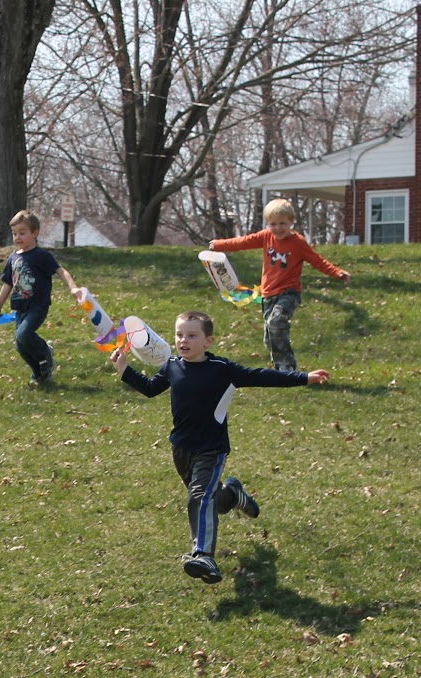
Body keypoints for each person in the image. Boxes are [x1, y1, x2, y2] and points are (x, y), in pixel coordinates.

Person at [113, 309, 329, 585]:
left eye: (192, 335)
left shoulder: (222, 370)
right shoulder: (172, 366)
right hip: (181, 449)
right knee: (212, 501)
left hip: (211, 449)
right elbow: (150, 388)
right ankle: (233, 494)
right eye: (179, 335)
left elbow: (260, 376)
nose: (183, 340)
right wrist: (125, 370)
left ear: (208, 341)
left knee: (199, 497)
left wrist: (303, 377)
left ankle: (203, 555)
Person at [208, 198, 350, 372]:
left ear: (291, 222)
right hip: (268, 294)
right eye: (273, 224)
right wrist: (218, 245)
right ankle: (279, 367)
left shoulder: (298, 242)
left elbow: (317, 260)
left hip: (289, 293)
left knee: (277, 322)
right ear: (268, 224)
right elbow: (243, 242)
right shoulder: (266, 236)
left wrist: (337, 272)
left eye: (283, 223)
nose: (278, 228)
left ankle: (288, 366)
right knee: (271, 335)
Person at [0, 210, 79, 386]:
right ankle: (39, 374)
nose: (17, 237)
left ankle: (46, 352)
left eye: (22, 233)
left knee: (24, 335)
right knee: (20, 345)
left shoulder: (42, 256)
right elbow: (7, 284)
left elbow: (61, 271)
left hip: (37, 306)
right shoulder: (13, 258)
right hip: (20, 308)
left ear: (35, 233)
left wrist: (73, 287)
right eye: (15, 233)